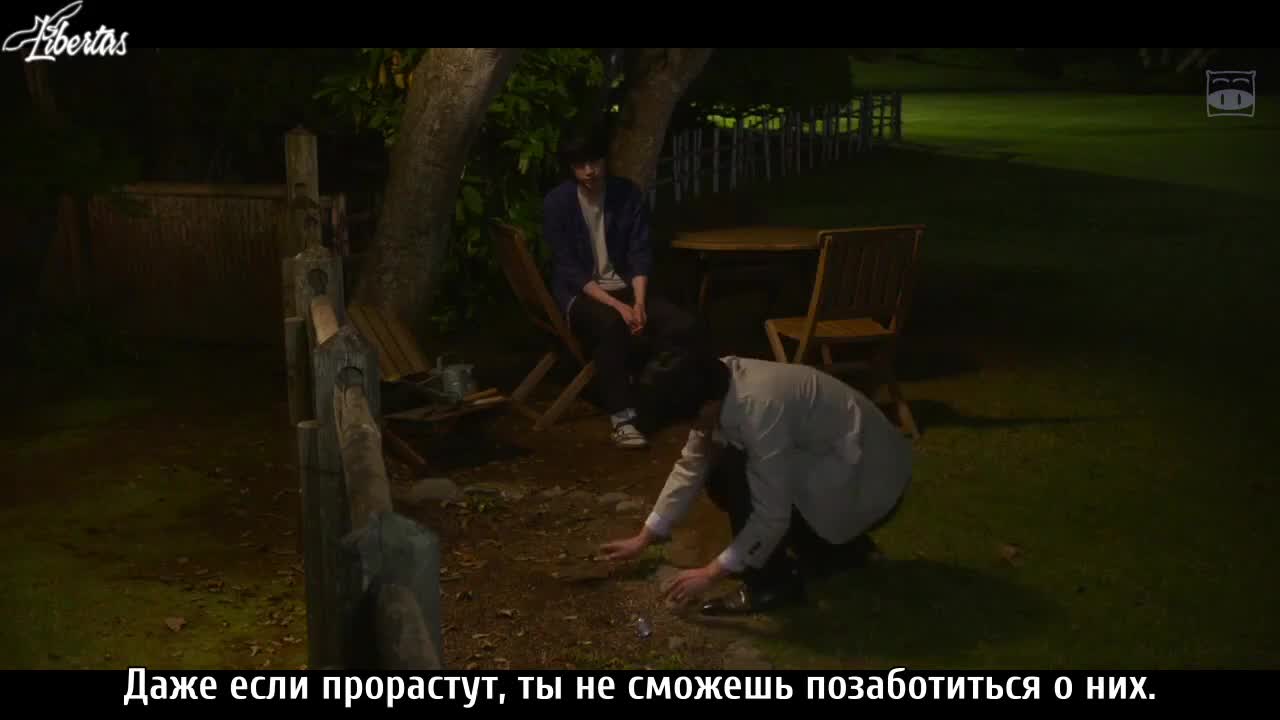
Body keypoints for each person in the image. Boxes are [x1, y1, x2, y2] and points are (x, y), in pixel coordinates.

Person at [599, 352, 913, 614]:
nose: (691, 428)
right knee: (723, 467)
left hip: (870, 481)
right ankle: (837, 552)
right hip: (845, 465)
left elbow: (771, 516)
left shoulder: (758, 411)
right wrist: (645, 537)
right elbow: (692, 464)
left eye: (691, 421)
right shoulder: (715, 381)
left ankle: (770, 585)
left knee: (736, 470)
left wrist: (711, 573)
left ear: (706, 407)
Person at [543, 129, 698, 449]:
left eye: (595, 162)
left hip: (626, 286)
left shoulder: (625, 194)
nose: (589, 171)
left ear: (605, 161)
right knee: (612, 325)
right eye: (580, 165)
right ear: (570, 168)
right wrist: (619, 307)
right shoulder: (558, 202)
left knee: (681, 324)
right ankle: (622, 418)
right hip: (582, 293)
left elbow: (640, 252)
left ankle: (654, 396)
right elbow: (569, 268)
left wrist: (638, 302)